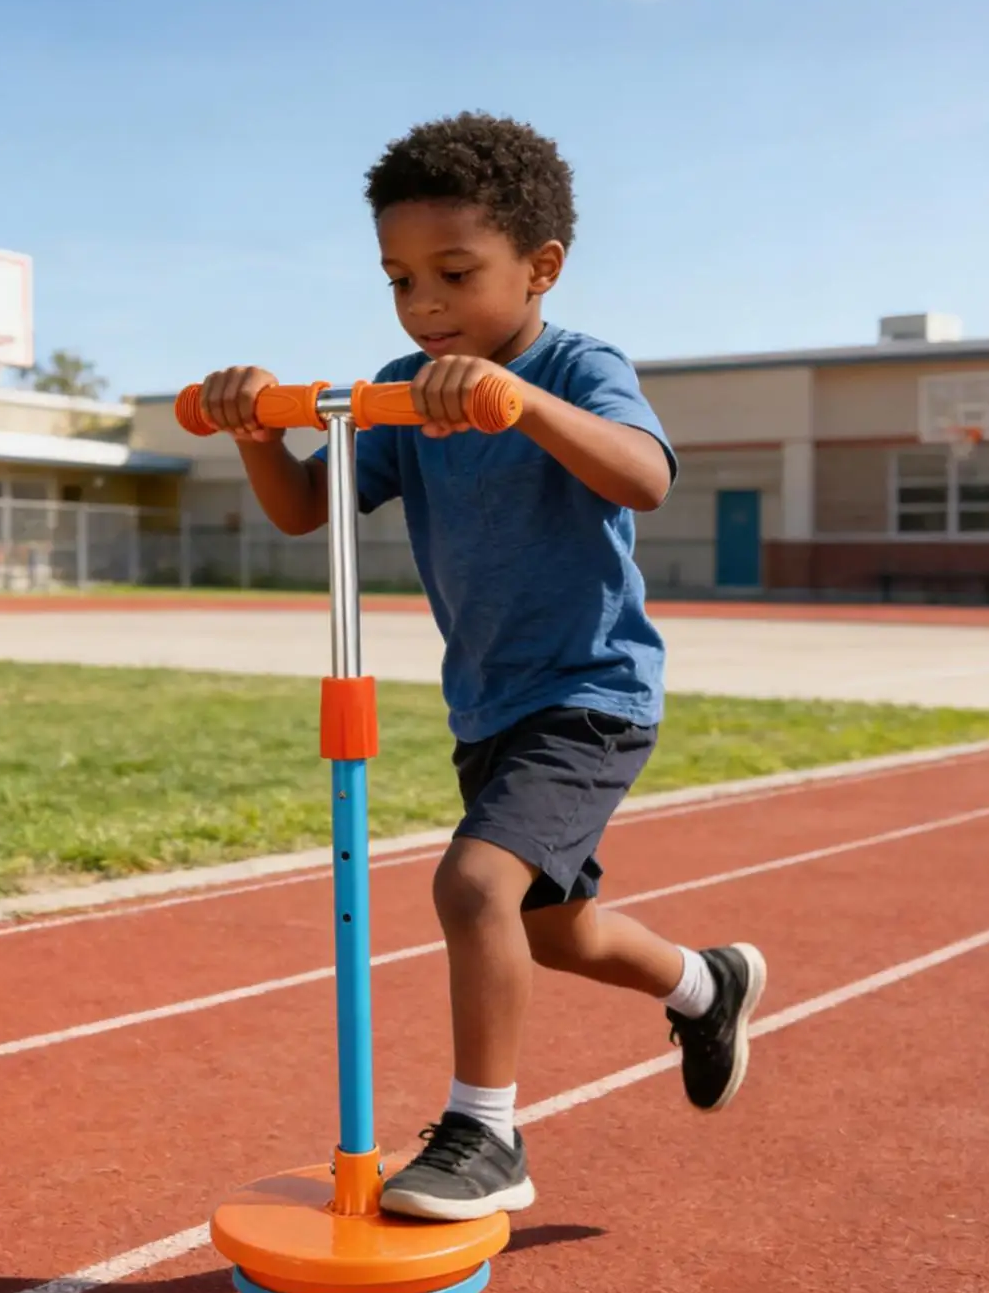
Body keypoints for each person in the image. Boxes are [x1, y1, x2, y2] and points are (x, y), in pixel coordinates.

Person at [194, 112, 766, 1222]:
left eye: (453, 273)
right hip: (489, 703)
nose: (423, 304)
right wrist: (255, 430)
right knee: (555, 930)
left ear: (539, 267)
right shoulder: (404, 386)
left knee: (470, 885)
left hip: (590, 693)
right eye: (399, 278)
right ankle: (706, 984)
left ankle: (484, 1131)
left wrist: (518, 402)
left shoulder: (574, 364)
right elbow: (309, 509)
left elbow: (642, 475)